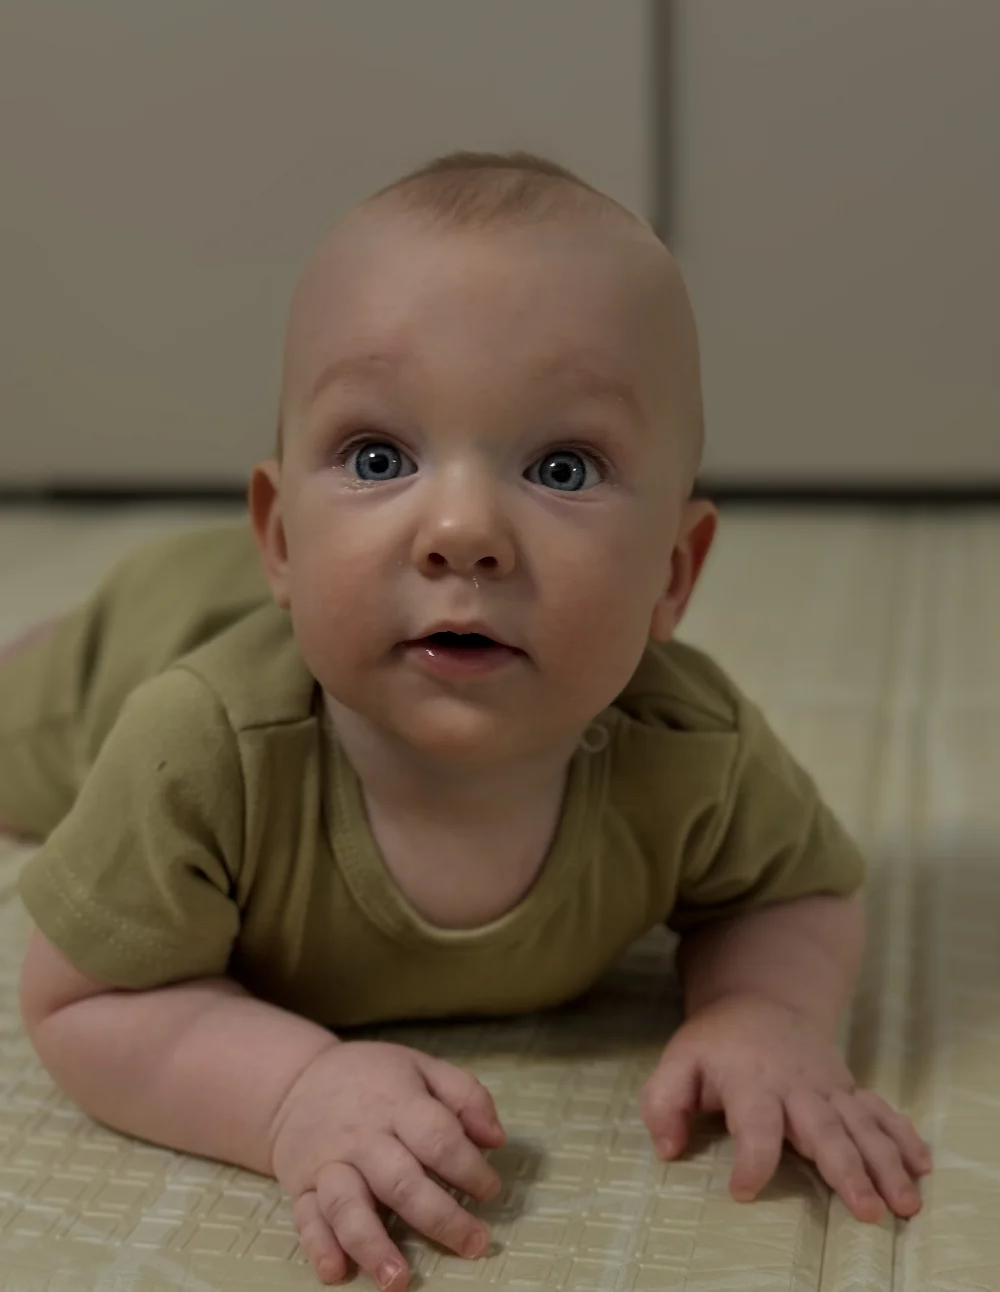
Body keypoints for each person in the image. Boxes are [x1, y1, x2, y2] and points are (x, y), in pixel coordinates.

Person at [3, 152, 929, 1290]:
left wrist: (763, 1009)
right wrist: (291, 1093)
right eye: (378, 456)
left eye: (564, 467)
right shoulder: (194, 747)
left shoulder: (692, 750)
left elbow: (795, 890)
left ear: (673, 575)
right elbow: (82, 993)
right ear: (282, 535)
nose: (462, 531)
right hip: (139, 643)